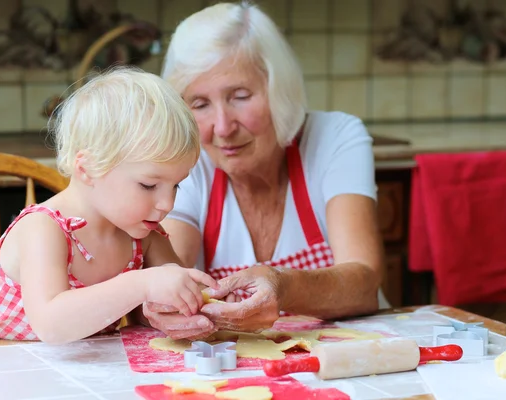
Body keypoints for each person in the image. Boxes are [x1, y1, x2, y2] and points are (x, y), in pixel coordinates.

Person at [140, 2, 388, 340]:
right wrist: (162, 306)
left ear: (278, 90)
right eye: (200, 105)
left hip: (347, 353)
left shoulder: (334, 139)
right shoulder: (189, 166)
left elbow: (364, 283)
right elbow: (167, 273)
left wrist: (282, 286)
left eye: (240, 96)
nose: (223, 127)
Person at [0, 67, 218, 344]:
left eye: (176, 185)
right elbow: (52, 326)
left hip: (63, 374)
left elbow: (155, 312)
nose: (167, 203)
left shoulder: (144, 234)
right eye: (148, 185)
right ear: (88, 168)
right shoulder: (43, 229)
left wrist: (203, 302)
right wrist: (143, 284)